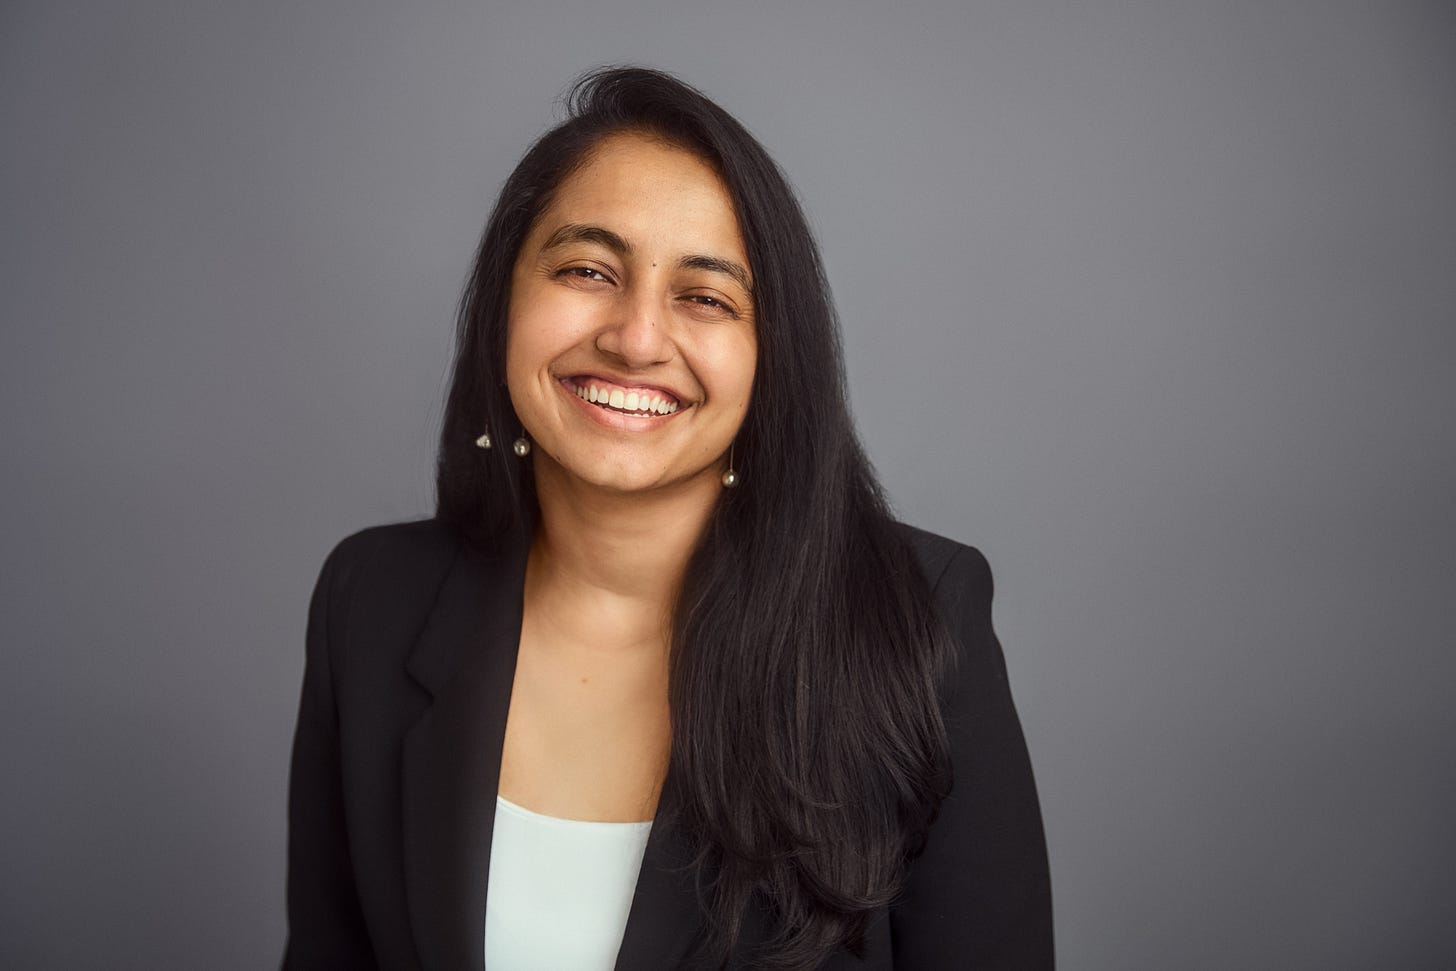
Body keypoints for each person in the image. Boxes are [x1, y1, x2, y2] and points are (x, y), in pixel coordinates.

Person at [283, 66, 1052, 970]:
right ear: (503, 302)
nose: (636, 338)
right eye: (587, 270)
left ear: (772, 357)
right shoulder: (370, 601)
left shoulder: (917, 619)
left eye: (706, 296)